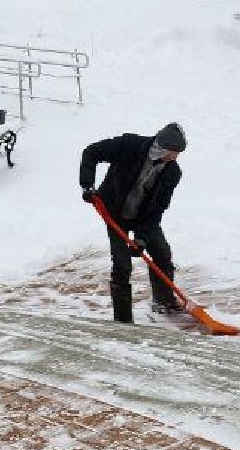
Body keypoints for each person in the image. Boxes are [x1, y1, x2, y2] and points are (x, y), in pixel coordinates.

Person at [79, 122, 188, 324]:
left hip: (144, 218)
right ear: (162, 148)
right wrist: (87, 185)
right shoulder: (129, 145)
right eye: (174, 152)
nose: (176, 157)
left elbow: (158, 209)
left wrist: (142, 239)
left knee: (162, 254)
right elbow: (91, 153)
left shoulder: (173, 172)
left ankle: (164, 303)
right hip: (114, 213)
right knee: (122, 266)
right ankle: (123, 321)